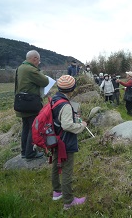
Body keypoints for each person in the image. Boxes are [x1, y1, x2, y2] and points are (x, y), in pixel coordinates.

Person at [51, 75, 87, 210]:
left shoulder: (55, 99)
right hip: (65, 142)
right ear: (72, 89)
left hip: (54, 138)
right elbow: (67, 126)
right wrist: (81, 125)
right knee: (66, 170)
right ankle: (68, 201)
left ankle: (57, 192)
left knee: (55, 165)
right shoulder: (65, 105)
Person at [15, 50, 49, 160]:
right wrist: (40, 72)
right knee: (32, 127)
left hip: (21, 102)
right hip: (30, 103)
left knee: (25, 127)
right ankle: (30, 153)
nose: (38, 62)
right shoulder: (31, 69)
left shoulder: (20, 68)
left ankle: (24, 151)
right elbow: (45, 81)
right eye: (38, 60)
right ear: (34, 58)